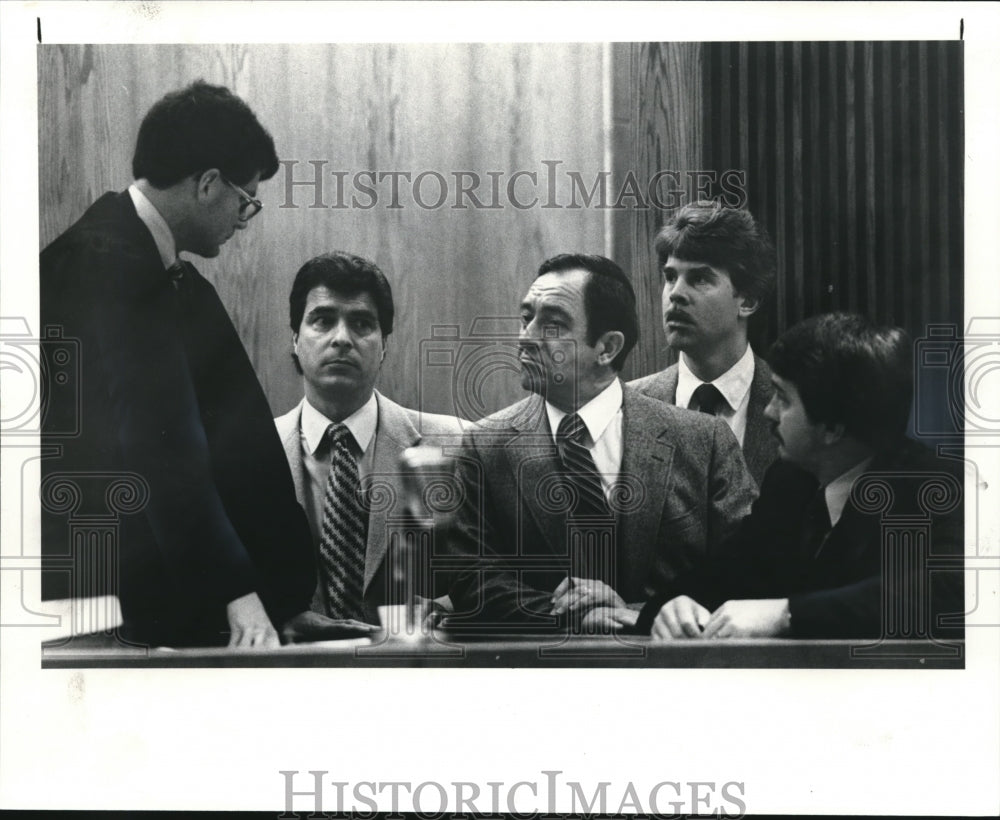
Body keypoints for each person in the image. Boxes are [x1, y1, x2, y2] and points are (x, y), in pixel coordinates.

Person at [40, 81, 327, 648]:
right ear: (207, 184)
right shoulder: (102, 262)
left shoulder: (178, 280)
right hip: (98, 609)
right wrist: (240, 597)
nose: (246, 218)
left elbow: (243, 447)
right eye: (246, 199)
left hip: (167, 596)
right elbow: (161, 448)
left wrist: (280, 602)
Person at [444, 253, 757, 632]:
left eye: (553, 324)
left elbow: (746, 564)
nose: (525, 337)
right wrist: (567, 613)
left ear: (607, 348)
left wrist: (643, 613)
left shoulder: (702, 441)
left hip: (670, 673)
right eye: (527, 318)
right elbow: (466, 573)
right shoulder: (484, 446)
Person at [637, 313, 964, 640]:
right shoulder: (789, 482)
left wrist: (787, 614)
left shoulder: (937, 487)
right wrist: (675, 606)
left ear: (833, 428)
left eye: (783, 398)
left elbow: (951, 588)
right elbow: (724, 572)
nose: (769, 411)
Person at [275, 252, 465, 623]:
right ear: (296, 338)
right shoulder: (249, 452)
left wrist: (445, 610)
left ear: (385, 345)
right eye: (323, 320)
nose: (342, 338)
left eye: (361, 323)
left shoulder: (454, 444)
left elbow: (493, 576)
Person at [629, 201, 778, 487]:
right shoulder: (627, 408)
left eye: (699, 278)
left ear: (747, 300)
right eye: (670, 277)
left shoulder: (792, 407)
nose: (675, 294)